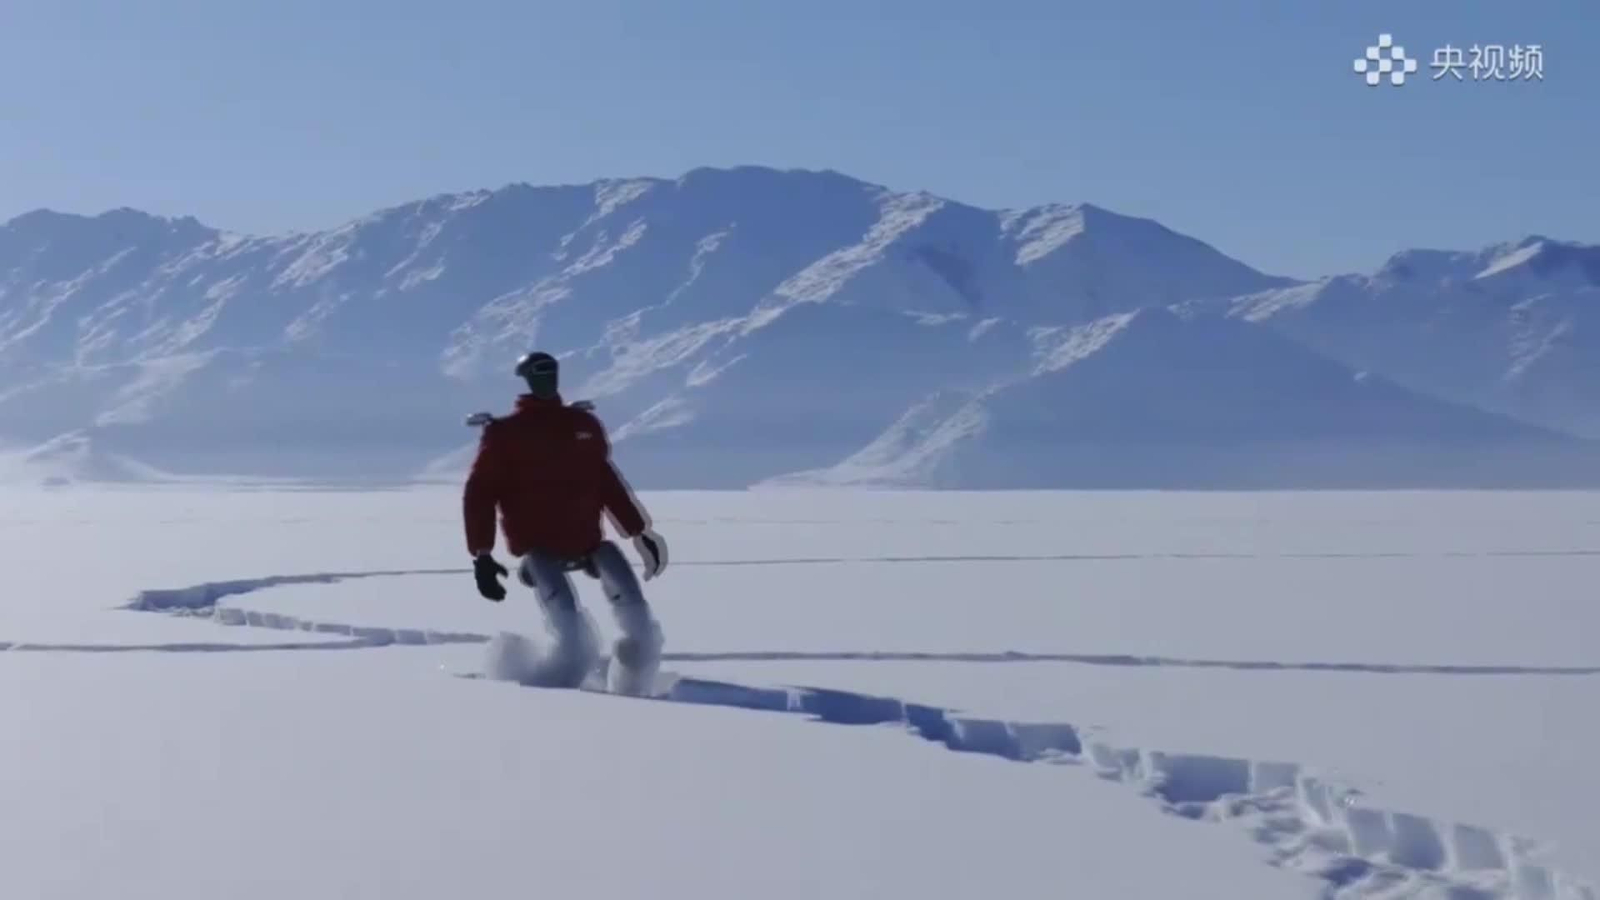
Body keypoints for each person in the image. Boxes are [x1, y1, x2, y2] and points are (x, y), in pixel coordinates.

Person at [461, 351, 668, 686]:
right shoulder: (506, 435)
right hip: (538, 549)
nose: (547, 377)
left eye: (552, 370)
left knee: (641, 630)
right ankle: (539, 688)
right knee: (571, 642)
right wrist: (482, 555)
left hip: (588, 543)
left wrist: (639, 533)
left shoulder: (582, 426)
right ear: (527, 377)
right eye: (539, 371)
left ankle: (634, 688)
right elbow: (480, 494)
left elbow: (606, 482)